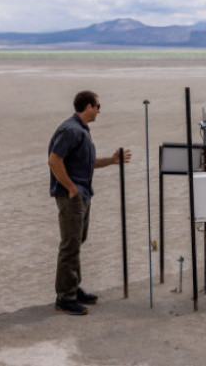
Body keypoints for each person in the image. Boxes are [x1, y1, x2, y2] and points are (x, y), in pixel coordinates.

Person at [47, 90, 131, 315]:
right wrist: (71, 188)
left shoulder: (81, 130)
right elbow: (54, 160)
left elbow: (88, 162)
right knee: (70, 244)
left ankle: (73, 288)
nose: (100, 111)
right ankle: (65, 298)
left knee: (77, 241)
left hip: (83, 195)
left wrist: (113, 161)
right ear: (88, 107)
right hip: (72, 197)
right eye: (98, 106)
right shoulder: (71, 130)